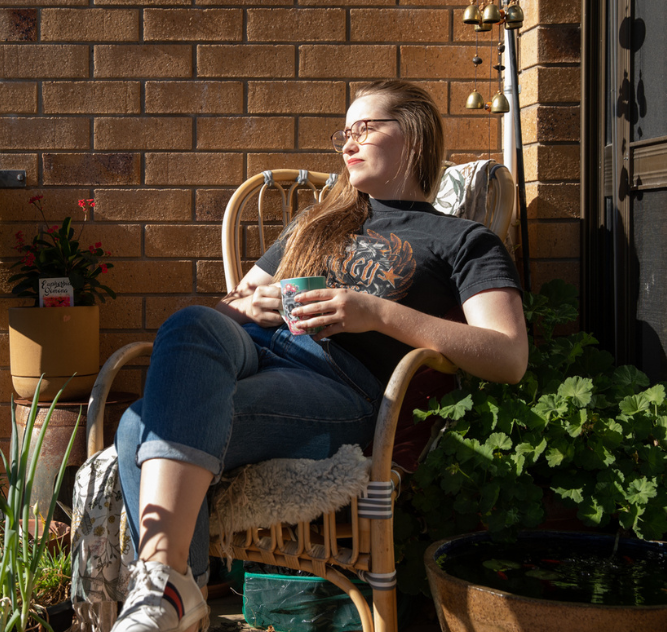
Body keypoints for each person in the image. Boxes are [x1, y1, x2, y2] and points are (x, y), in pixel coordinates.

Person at [109, 80, 528, 632]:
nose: (348, 144)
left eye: (366, 128)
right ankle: (172, 591)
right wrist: (254, 304)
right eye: (344, 133)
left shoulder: (461, 240)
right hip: (260, 348)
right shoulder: (317, 222)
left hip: (343, 388)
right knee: (191, 322)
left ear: (416, 135)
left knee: (139, 426)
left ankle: (169, 591)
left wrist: (376, 314)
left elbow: (507, 355)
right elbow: (227, 309)